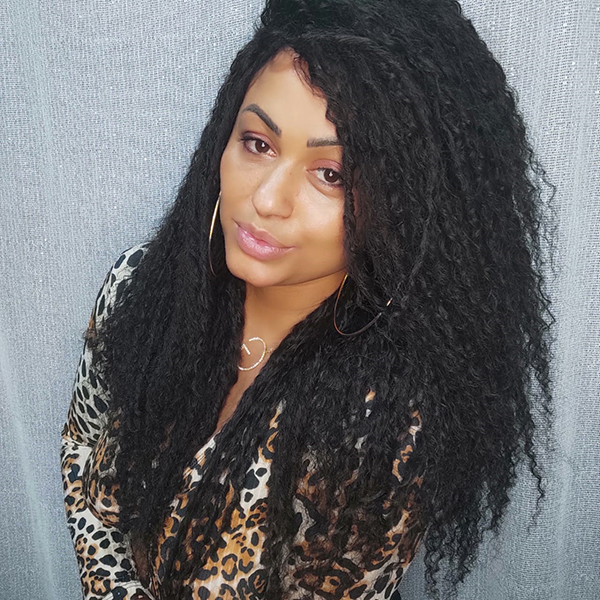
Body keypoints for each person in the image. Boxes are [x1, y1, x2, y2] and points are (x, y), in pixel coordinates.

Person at [60, 1, 555, 599]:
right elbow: (82, 450)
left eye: (331, 175)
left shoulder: (384, 424)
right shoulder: (141, 288)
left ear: (401, 206)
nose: (267, 199)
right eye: (257, 143)